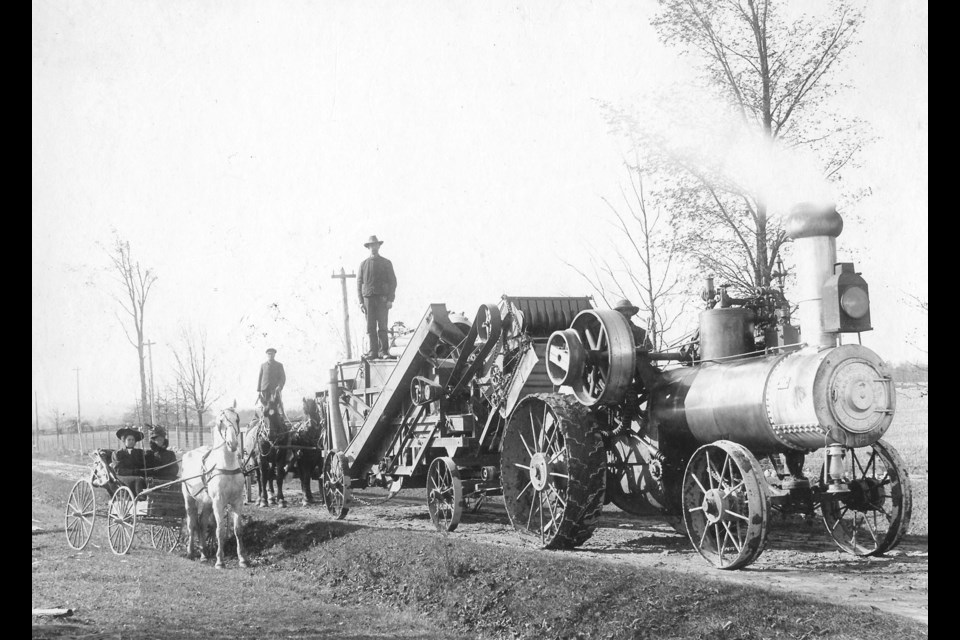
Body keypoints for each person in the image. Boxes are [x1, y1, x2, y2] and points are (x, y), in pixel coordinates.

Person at [357, 234, 397, 359]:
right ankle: (373, 352)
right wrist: (361, 302)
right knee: (370, 327)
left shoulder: (386, 263)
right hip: (368, 299)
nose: (373, 248)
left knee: (383, 326)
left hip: (382, 300)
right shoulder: (363, 265)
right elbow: (359, 283)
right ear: (368, 248)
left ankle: (383, 351)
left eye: (375, 245)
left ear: (379, 246)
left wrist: (390, 299)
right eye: (371, 246)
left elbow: (393, 282)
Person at [111, 427, 147, 495]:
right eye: (129, 440)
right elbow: (119, 470)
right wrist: (134, 471)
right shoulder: (117, 453)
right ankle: (140, 497)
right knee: (138, 480)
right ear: (124, 441)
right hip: (122, 476)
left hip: (137, 475)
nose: (131, 441)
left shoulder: (139, 452)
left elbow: (143, 464)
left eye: (133, 440)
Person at [257, 347, 287, 416]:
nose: (270, 355)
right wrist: (259, 390)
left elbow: (283, 377)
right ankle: (264, 419)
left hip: (275, 390)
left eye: (272, 354)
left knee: (277, 405)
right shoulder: (263, 365)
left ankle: (281, 417)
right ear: (267, 355)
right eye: (269, 354)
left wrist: (280, 386)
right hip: (265, 389)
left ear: (274, 355)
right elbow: (260, 377)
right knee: (265, 406)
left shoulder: (279, 365)